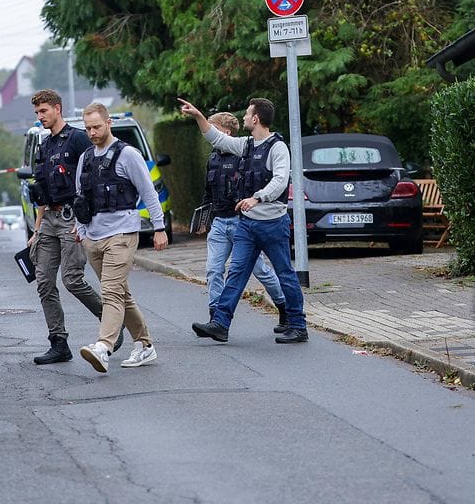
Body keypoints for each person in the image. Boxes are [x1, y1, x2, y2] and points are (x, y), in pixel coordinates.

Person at [178, 96, 308, 344]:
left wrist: (257, 198)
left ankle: (298, 325)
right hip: (247, 225)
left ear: (256, 118)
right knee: (236, 273)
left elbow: (280, 180)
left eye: (248, 114)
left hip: (272, 224)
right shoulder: (247, 145)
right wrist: (198, 115)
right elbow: (217, 138)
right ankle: (220, 324)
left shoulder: (277, 147)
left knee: (285, 274)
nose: (245, 117)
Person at [27, 89, 118, 365]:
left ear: (57, 108)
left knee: (72, 280)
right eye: (37, 113)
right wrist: (37, 229)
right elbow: (41, 191)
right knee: (43, 281)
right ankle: (58, 342)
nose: (40, 116)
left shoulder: (78, 139)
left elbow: (92, 179)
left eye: (43, 111)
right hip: (50, 220)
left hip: (71, 218)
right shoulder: (45, 145)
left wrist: (88, 221)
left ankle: (111, 321)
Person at [75, 102, 167, 373]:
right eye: (88, 128)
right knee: (121, 295)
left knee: (111, 292)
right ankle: (145, 346)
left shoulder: (128, 155)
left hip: (122, 233)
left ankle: (103, 347)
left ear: (108, 123)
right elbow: (80, 197)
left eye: (96, 127)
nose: (92, 132)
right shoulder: (86, 158)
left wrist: (159, 228)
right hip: (93, 237)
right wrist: (81, 231)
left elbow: (149, 193)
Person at [200, 111, 289, 332]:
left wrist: (256, 201)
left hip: (242, 222)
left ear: (226, 132)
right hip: (220, 222)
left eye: (215, 127)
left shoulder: (243, 153)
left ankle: (283, 306)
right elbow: (208, 190)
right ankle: (216, 318)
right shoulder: (213, 158)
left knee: (261, 272)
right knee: (213, 270)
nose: (212, 133)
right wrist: (204, 218)